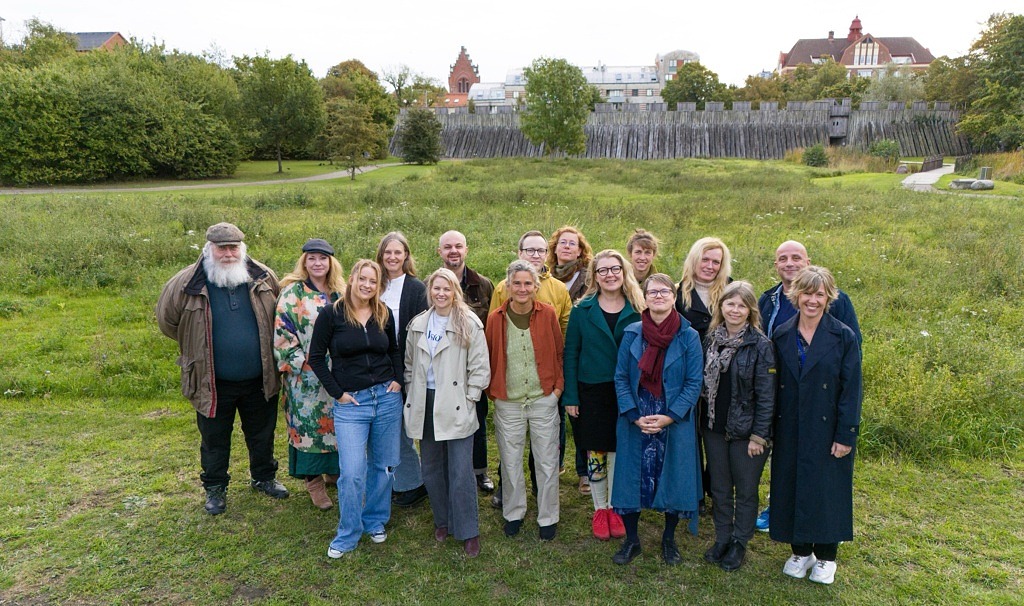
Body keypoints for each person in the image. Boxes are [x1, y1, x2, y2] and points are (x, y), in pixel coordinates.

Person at [157, 222, 288, 515]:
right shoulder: (184, 283)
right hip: (211, 381)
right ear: (209, 249)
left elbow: (279, 315)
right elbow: (168, 322)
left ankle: (264, 478)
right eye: (222, 248)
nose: (228, 254)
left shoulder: (263, 277)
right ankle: (215, 489)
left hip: (260, 377)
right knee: (214, 439)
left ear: (242, 249)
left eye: (233, 247)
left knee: (262, 433)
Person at [755, 240, 861, 532]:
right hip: (786, 402)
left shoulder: (840, 307)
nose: (789, 263)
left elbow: (850, 365)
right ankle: (780, 513)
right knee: (787, 468)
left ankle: (824, 536)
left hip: (822, 402)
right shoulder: (768, 301)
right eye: (782, 258)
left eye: (796, 257)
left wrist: (846, 428)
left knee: (822, 472)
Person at [770, 266, 862, 585]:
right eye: (807, 293)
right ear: (797, 295)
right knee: (791, 484)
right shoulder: (782, 333)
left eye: (819, 294)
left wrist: (845, 434)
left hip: (828, 427)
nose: (812, 300)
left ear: (828, 298)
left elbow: (852, 389)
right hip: (790, 425)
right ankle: (800, 550)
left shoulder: (843, 336)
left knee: (826, 490)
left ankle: (826, 557)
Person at [309, 260, 404, 559]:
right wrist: (338, 393)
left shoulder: (382, 313)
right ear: (351, 279)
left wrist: (398, 380)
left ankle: (374, 520)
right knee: (351, 472)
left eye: (372, 281)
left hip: (386, 399)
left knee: (384, 465)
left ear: (379, 285)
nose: (367, 285)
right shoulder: (331, 314)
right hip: (353, 404)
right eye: (362, 279)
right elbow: (315, 357)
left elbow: (394, 350)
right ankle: (348, 532)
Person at [611, 273, 703, 566]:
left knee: (674, 477)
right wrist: (633, 415)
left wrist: (670, 417)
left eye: (665, 291)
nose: (659, 296)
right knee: (630, 479)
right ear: (645, 296)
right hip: (637, 416)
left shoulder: (689, 336)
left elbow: (693, 382)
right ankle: (632, 541)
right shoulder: (631, 333)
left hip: (673, 417)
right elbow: (621, 377)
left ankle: (669, 540)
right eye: (653, 292)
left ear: (674, 297)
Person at [404, 268, 491, 557]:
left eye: (447, 289)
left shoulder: (469, 323)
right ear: (429, 291)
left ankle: (468, 530)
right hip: (424, 402)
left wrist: (470, 398)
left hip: (455, 402)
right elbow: (409, 365)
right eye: (436, 288)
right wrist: (412, 393)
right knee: (430, 468)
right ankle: (442, 520)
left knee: (460, 470)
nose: (441, 294)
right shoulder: (418, 323)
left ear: (455, 291)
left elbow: (480, 368)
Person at [488, 230, 572, 509]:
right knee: (510, 461)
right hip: (508, 399)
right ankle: (514, 512)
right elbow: (490, 353)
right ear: (507, 286)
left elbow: (559, 350)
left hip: (543, 397)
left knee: (547, 461)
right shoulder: (495, 317)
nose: (522, 288)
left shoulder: (547, 312)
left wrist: (557, 390)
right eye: (516, 284)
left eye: (528, 284)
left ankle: (548, 515)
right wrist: (495, 391)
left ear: (536, 286)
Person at [563, 250, 644, 541]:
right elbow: (571, 353)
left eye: (615, 269)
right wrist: (570, 395)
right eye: (603, 270)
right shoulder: (582, 309)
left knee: (619, 450)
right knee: (596, 451)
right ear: (594, 276)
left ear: (624, 273)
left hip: (627, 391)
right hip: (592, 389)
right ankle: (600, 509)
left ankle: (616, 506)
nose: (610, 275)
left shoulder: (638, 307)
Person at [700, 281, 776, 572]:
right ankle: (722, 537)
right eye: (730, 303)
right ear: (721, 307)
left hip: (747, 434)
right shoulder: (711, 340)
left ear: (750, 311)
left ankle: (739, 543)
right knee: (719, 488)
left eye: (741, 305)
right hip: (714, 427)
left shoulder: (761, 345)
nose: (735, 309)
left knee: (745, 490)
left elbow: (767, 396)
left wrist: (760, 435)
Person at [273, 239, 345, 510]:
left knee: (336, 424)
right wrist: (302, 364)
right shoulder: (293, 293)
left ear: (331, 262)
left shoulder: (340, 291)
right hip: (305, 377)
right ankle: (313, 480)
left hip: (336, 373)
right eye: (312, 258)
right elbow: (283, 332)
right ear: (304, 262)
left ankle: (332, 471)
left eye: (323, 258)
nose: (318, 263)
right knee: (308, 427)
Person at [675, 236, 733, 514]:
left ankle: (718, 490)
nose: (709, 266)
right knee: (690, 435)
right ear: (694, 259)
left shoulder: (733, 291)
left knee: (719, 435)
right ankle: (694, 493)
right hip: (688, 376)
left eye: (716, 261)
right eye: (705, 259)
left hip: (726, 378)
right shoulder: (678, 293)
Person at [437, 230, 496, 494]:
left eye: (458, 246)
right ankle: (446, 471)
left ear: (466, 250)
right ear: (440, 252)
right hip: (442, 368)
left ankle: (479, 471)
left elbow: (492, 328)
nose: (453, 251)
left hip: (473, 368)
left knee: (477, 419)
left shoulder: (483, 285)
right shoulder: (432, 284)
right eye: (447, 247)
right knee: (443, 419)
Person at [376, 232, 429, 508]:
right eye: (388, 252)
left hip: (406, 367)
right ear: (381, 256)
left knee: (402, 431)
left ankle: (413, 483)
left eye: (398, 252)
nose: (393, 257)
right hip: (376, 367)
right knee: (383, 429)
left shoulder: (416, 288)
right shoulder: (374, 284)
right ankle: (394, 480)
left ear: (406, 256)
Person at [547, 226, 595, 495]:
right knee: (553, 412)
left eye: (572, 244)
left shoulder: (588, 278)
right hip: (551, 354)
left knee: (579, 413)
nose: (566, 247)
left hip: (578, 353)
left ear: (580, 250)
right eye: (561, 243)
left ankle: (584, 471)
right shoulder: (545, 277)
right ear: (554, 248)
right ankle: (554, 463)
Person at [489, 230, 572, 334]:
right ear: (520, 253)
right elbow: (493, 327)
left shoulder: (559, 288)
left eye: (541, 251)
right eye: (530, 250)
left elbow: (566, 328)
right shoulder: (503, 288)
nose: (536, 255)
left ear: (546, 255)